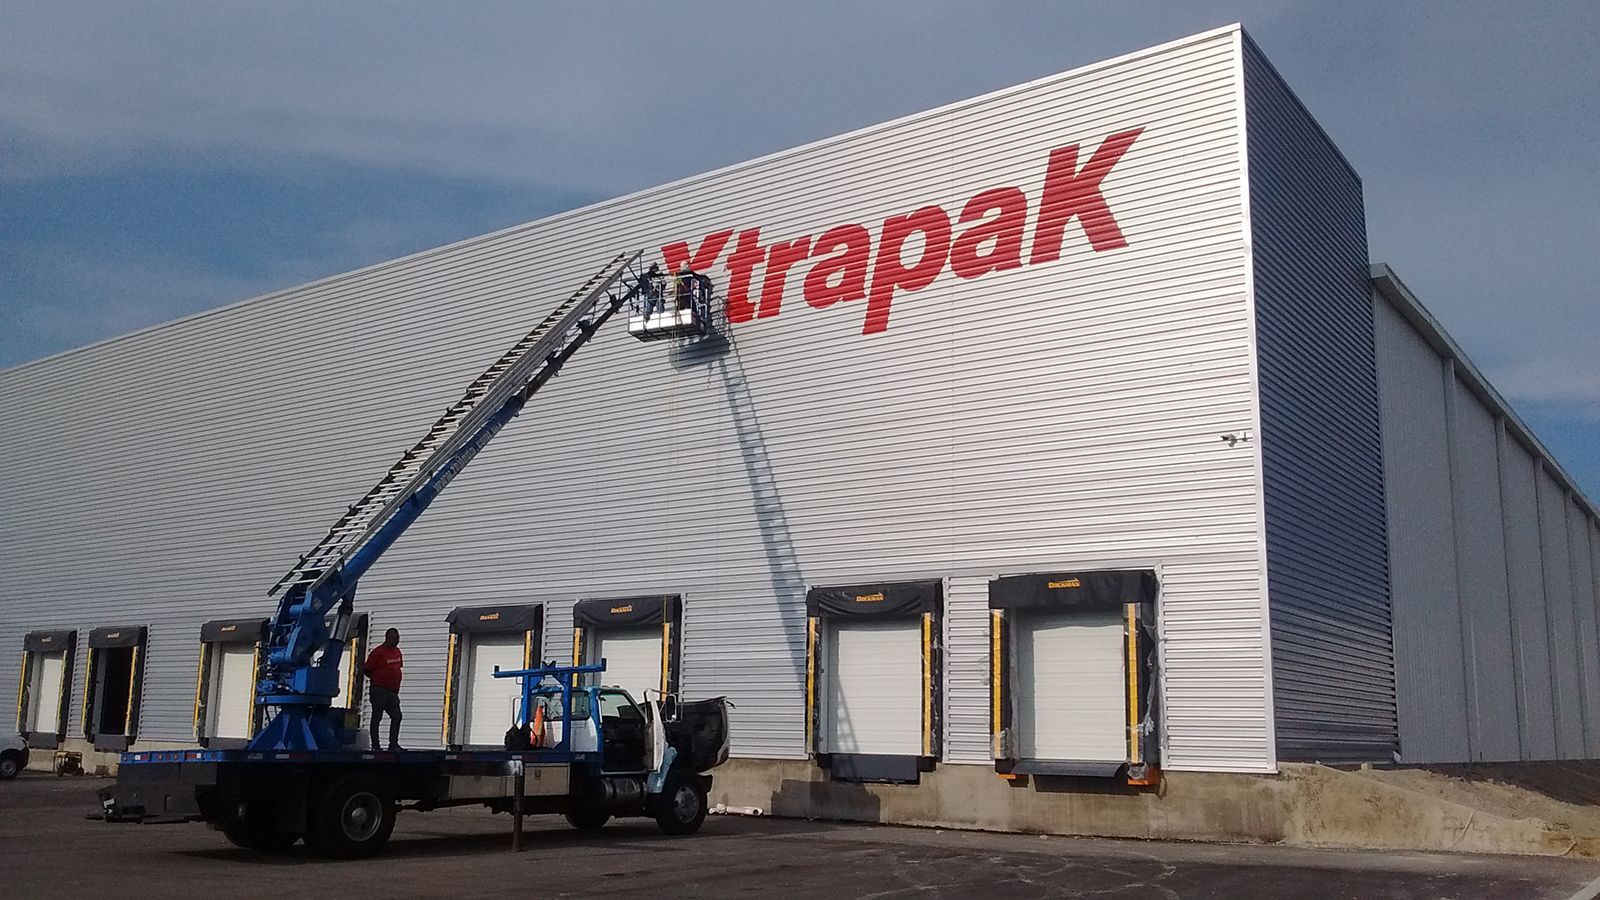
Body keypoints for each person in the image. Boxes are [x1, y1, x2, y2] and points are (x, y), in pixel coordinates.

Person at [362, 628, 404, 750]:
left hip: (392, 691)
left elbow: (398, 667)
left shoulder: (397, 652)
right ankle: (375, 745)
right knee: (377, 716)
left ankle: (393, 744)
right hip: (379, 689)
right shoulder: (378, 652)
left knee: (397, 716)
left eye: (397, 638)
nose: (396, 641)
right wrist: (378, 679)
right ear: (387, 638)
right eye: (394, 638)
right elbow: (367, 669)